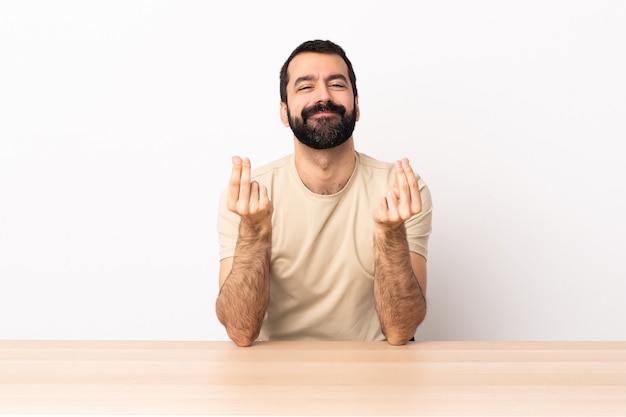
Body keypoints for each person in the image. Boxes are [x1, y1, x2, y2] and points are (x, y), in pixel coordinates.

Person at [216, 39, 432, 347]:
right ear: (283, 111)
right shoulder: (248, 197)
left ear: (356, 106)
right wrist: (254, 232)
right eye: (305, 87)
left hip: (374, 376)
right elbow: (240, 331)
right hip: (271, 377)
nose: (323, 97)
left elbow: (400, 330)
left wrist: (390, 235)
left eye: (336, 84)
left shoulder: (400, 190)